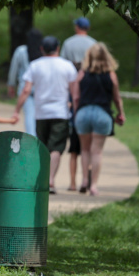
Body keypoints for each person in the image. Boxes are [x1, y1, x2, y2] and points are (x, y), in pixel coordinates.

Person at [11, 36, 78, 194]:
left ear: (42, 49)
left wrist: (17, 109)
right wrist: (75, 110)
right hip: (61, 112)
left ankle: (43, 178)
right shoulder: (67, 66)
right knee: (56, 147)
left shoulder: (35, 65)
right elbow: (75, 93)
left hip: (40, 113)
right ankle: (51, 179)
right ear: (58, 48)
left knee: (44, 146)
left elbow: (26, 90)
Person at [73, 43, 126, 196]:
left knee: (84, 150)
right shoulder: (111, 75)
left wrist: (77, 114)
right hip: (103, 114)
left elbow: (76, 97)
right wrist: (121, 113)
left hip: (83, 112)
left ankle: (84, 180)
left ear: (88, 56)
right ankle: (94, 186)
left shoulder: (82, 73)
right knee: (96, 152)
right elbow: (117, 98)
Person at [60, 17, 97, 190]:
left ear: (77, 27)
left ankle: (73, 182)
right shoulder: (94, 44)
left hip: (72, 85)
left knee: (74, 147)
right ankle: (88, 179)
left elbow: (63, 65)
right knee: (89, 147)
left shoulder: (68, 43)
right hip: (90, 89)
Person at [7, 29, 43, 136]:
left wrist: (11, 85)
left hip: (24, 88)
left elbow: (14, 69)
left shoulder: (21, 51)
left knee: (29, 116)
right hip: (41, 88)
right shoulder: (42, 52)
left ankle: (31, 138)